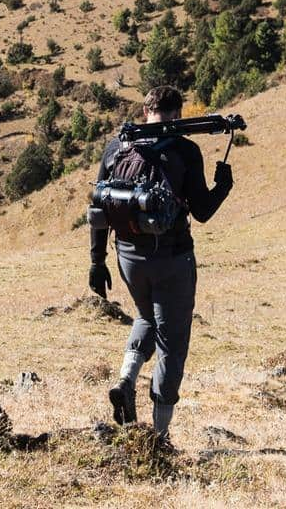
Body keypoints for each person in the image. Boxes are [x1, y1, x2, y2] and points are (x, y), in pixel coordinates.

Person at [88, 85, 233, 439]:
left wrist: (97, 261)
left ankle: (126, 379)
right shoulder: (185, 150)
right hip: (172, 258)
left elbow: (99, 208)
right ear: (178, 114)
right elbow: (201, 212)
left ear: (145, 111)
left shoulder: (117, 146)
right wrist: (223, 187)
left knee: (145, 317)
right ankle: (159, 436)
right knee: (173, 343)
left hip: (126, 256)